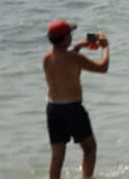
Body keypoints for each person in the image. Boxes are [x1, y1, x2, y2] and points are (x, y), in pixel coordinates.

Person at [43, 21, 107, 179]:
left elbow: (64, 62)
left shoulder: (47, 58)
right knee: (90, 148)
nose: (72, 37)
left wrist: (78, 46)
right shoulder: (75, 58)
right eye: (70, 35)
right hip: (72, 109)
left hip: (53, 109)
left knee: (57, 156)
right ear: (65, 39)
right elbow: (102, 67)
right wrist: (106, 47)